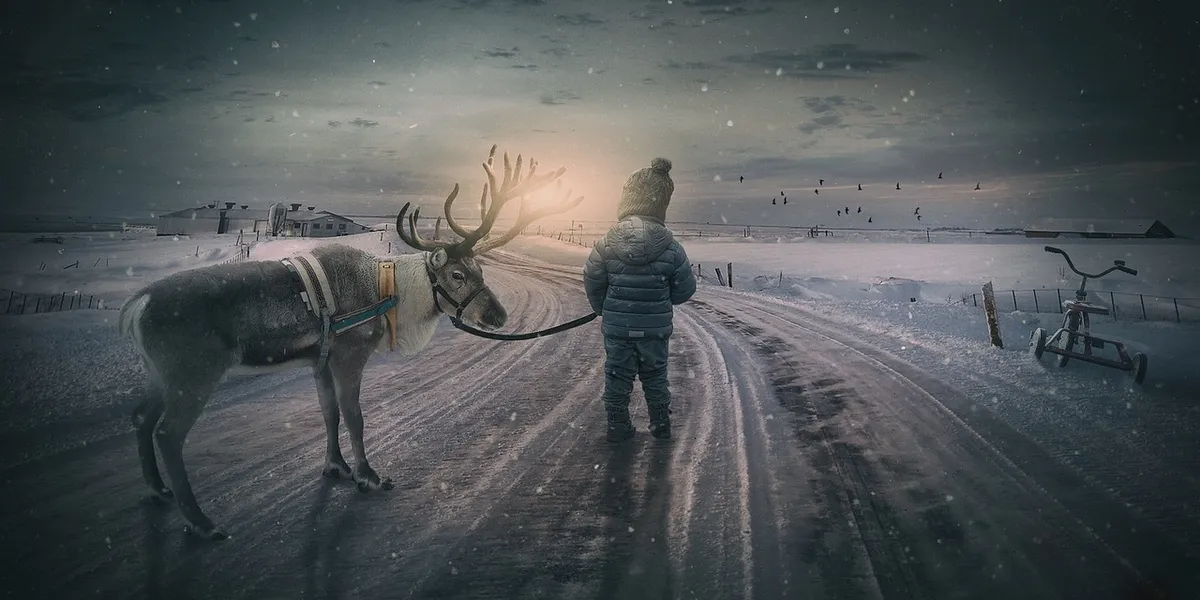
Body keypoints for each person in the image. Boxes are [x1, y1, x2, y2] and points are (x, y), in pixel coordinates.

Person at [583, 158, 696, 442]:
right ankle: (660, 425)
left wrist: (603, 309)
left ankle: (618, 427)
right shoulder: (671, 246)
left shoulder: (606, 242)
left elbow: (592, 279)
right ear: (661, 205)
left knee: (617, 378)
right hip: (654, 331)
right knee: (656, 376)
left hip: (619, 329)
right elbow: (684, 290)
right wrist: (660, 298)